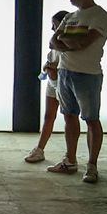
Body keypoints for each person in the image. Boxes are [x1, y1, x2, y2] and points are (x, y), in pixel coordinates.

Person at [46, 0, 107, 183]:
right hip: (65, 72)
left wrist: (68, 41)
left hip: (88, 74)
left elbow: (84, 43)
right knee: (68, 116)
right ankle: (70, 160)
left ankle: (92, 165)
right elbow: (53, 42)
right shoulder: (69, 16)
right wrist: (71, 42)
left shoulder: (100, 16)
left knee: (91, 119)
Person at [24, 9, 70, 163]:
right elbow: (51, 60)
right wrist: (47, 67)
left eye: (54, 25)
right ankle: (40, 149)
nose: (52, 28)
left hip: (63, 83)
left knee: (69, 118)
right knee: (48, 116)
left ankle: (70, 155)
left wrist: (52, 69)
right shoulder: (55, 42)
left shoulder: (69, 43)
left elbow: (65, 66)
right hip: (52, 83)